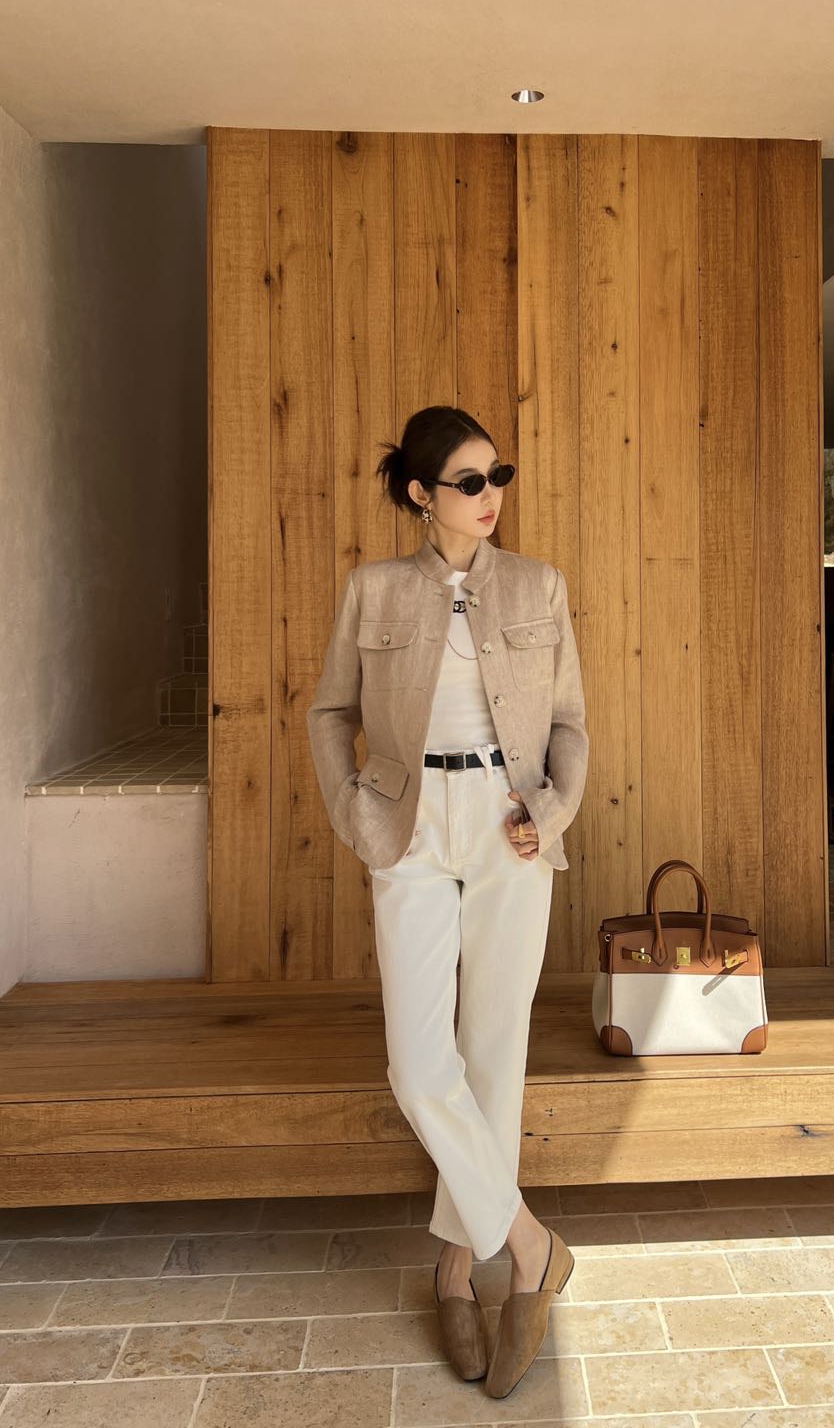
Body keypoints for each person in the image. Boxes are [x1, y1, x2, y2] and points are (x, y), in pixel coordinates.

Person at [306, 404, 588, 1397]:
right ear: (423, 494)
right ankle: (532, 1245)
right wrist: (356, 812)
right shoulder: (375, 589)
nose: (489, 495)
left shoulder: (538, 584)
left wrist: (550, 812)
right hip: (412, 824)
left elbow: (569, 723)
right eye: (469, 482)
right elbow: (329, 710)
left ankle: (459, 1270)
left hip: (512, 825)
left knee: (492, 1053)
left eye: (497, 475)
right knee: (421, 1064)